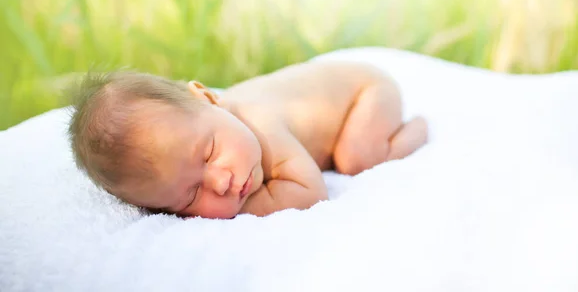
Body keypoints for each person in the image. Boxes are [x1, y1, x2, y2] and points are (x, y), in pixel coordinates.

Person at [68, 59, 428, 219]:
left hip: (365, 90)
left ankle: (414, 132)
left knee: (354, 159)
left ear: (207, 97)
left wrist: (240, 209)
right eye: (190, 196)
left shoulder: (260, 122)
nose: (221, 181)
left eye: (209, 153)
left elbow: (310, 191)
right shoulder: (213, 127)